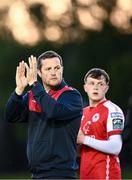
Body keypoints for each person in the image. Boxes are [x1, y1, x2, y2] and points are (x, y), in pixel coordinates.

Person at [5, 50, 83, 179]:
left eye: (57, 68)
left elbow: (53, 111)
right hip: (37, 174)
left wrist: (34, 84)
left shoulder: (71, 95)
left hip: (61, 174)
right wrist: (18, 90)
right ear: (39, 73)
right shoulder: (33, 95)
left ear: (62, 70)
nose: (53, 72)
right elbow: (10, 116)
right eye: (48, 69)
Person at [77, 68, 125, 179]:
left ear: (106, 88)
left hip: (105, 174)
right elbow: (81, 149)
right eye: (92, 83)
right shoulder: (82, 113)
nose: (96, 87)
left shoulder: (113, 110)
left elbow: (116, 147)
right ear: (85, 87)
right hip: (86, 174)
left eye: (100, 84)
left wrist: (84, 139)